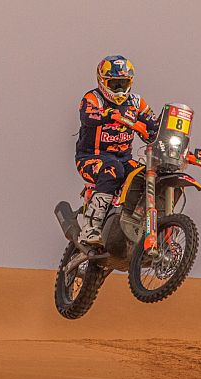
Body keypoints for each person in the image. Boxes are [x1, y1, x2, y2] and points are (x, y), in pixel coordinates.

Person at [75, 55, 160, 247]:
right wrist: (111, 114)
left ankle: (138, 226)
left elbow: (153, 123)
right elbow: (87, 117)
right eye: (114, 84)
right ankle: (90, 228)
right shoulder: (93, 98)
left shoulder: (137, 102)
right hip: (90, 158)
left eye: (123, 83)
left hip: (124, 159)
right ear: (102, 82)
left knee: (145, 176)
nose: (120, 89)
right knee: (113, 170)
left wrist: (164, 131)